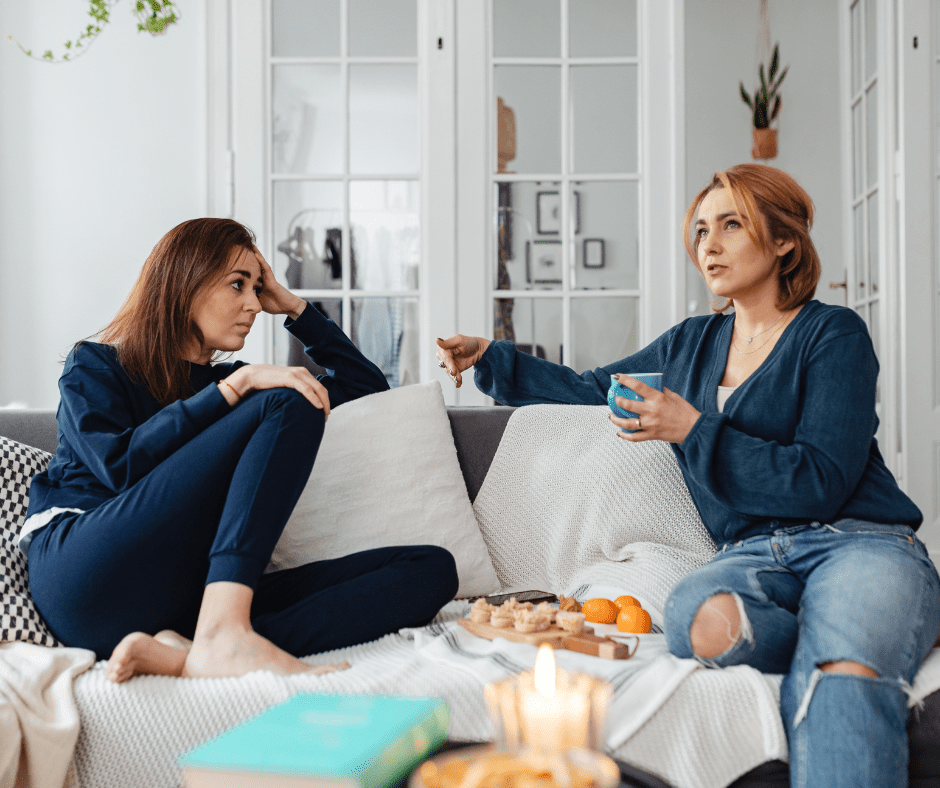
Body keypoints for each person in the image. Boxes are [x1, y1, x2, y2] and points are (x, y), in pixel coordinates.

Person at [435, 163, 940, 788]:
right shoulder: (691, 344)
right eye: (701, 230)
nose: (710, 243)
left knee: (845, 673)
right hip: (754, 557)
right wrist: (493, 360)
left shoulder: (832, 334)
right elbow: (594, 390)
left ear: (784, 240)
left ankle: (859, 628)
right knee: (693, 619)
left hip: (857, 540)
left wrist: (693, 428)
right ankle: (848, 621)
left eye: (732, 225)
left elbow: (822, 478)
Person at [23, 217, 458, 684]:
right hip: (85, 571)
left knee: (430, 569)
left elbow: (366, 388)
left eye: (257, 288)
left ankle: (196, 649)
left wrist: (293, 306)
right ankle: (224, 633)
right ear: (183, 284)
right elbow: (116, 467)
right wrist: (235, 388)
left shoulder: (240, 385)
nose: (253, 304)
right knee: (291, 396)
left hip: (188, 593)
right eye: (237, 285)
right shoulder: (96, 364)